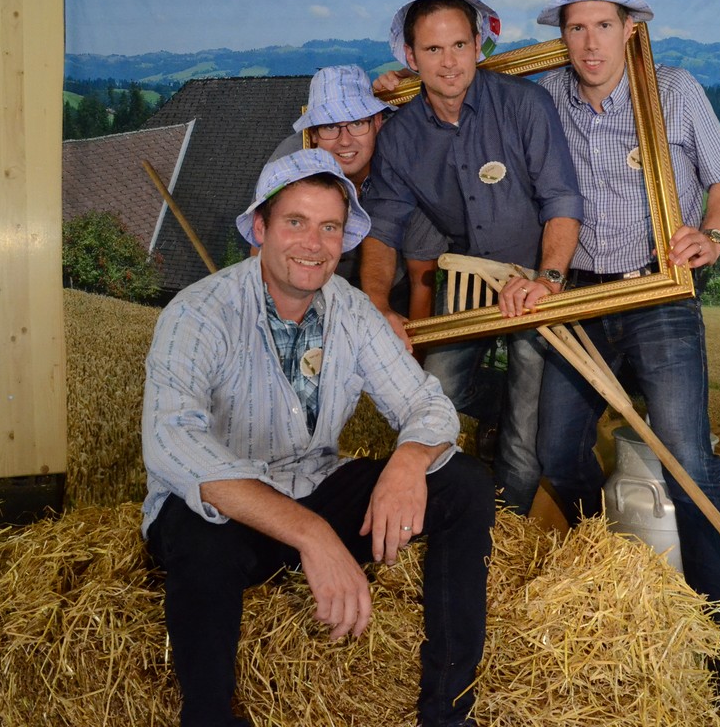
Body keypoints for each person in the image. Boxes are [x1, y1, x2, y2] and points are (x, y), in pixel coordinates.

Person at [142, 148, 495, 727]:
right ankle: (208, 717)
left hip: (316, 484)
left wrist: (408, 462)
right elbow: (171, 444)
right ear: (261, 229)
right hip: (232, 517)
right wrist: (313, 535)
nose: (314, 243)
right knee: (197, 532)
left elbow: (426, 404)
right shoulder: (198, 313)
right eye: (296, 222)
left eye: (330, 227)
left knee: (463, 483)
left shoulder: (351, 310)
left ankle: (448, 712)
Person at [532, 0, 720, 699]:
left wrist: (710, 236)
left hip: (658, 293)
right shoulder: (544, 97)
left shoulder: (674, 90)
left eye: (603, 25)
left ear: (630, 29)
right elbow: (462, 93)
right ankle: (621, 578)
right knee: (555, 452)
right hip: (579, 298)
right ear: (562, 36)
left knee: (689, 461)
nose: (590, 43)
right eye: (576, 27)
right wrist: (398, 89)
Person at [360, 0, 584, 514]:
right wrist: (375, 303)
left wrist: (548, 279)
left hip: (535, 278)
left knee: (525, 429)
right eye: (433, 49)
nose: (449, 63)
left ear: (478, 43)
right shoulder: (400, 137)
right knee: (439, 389)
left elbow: (561, 199)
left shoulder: (525, 104)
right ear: (410, 57)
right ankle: (514, 414)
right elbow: (382, 228)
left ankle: (506, 523)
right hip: (466, 277)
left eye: (459, 44)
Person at [266, 65, 446, 321]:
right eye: (330, 126)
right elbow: (264, 251)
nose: (345, 140)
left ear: (378, 122)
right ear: (313, 133)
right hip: (309, 295)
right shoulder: (288, 164)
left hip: (394, 293)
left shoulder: (408, 164)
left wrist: (415, 342)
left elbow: (422, 279)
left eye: (358, 122)